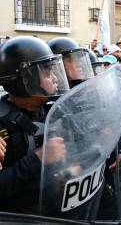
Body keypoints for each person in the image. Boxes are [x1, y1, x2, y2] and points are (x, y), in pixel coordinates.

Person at [0, 36, 67, 213]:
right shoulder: (2, 124)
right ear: (25, 79)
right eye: (47, 73)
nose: (55, 78)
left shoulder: (52, 109)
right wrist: (38, 159)